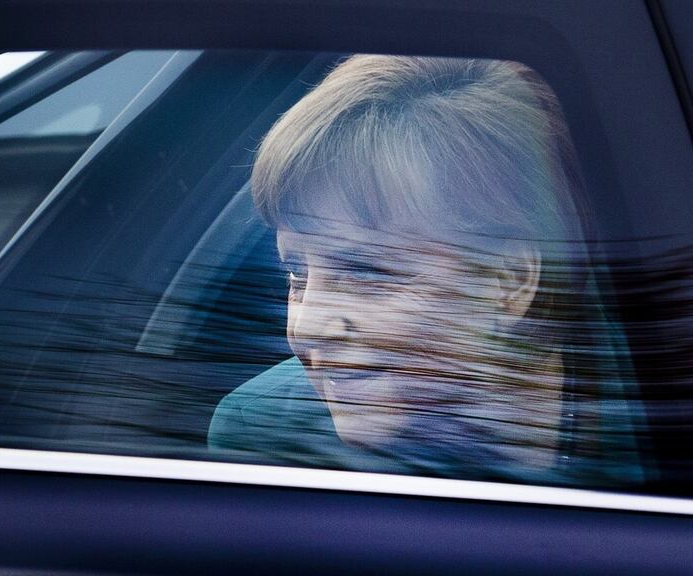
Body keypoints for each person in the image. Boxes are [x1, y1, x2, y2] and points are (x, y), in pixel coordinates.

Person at [209, 55, 646, 485]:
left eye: (364, 271)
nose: (306, 327)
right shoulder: (264, 438)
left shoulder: (659, 405)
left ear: (509, 282)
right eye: (297, 275)